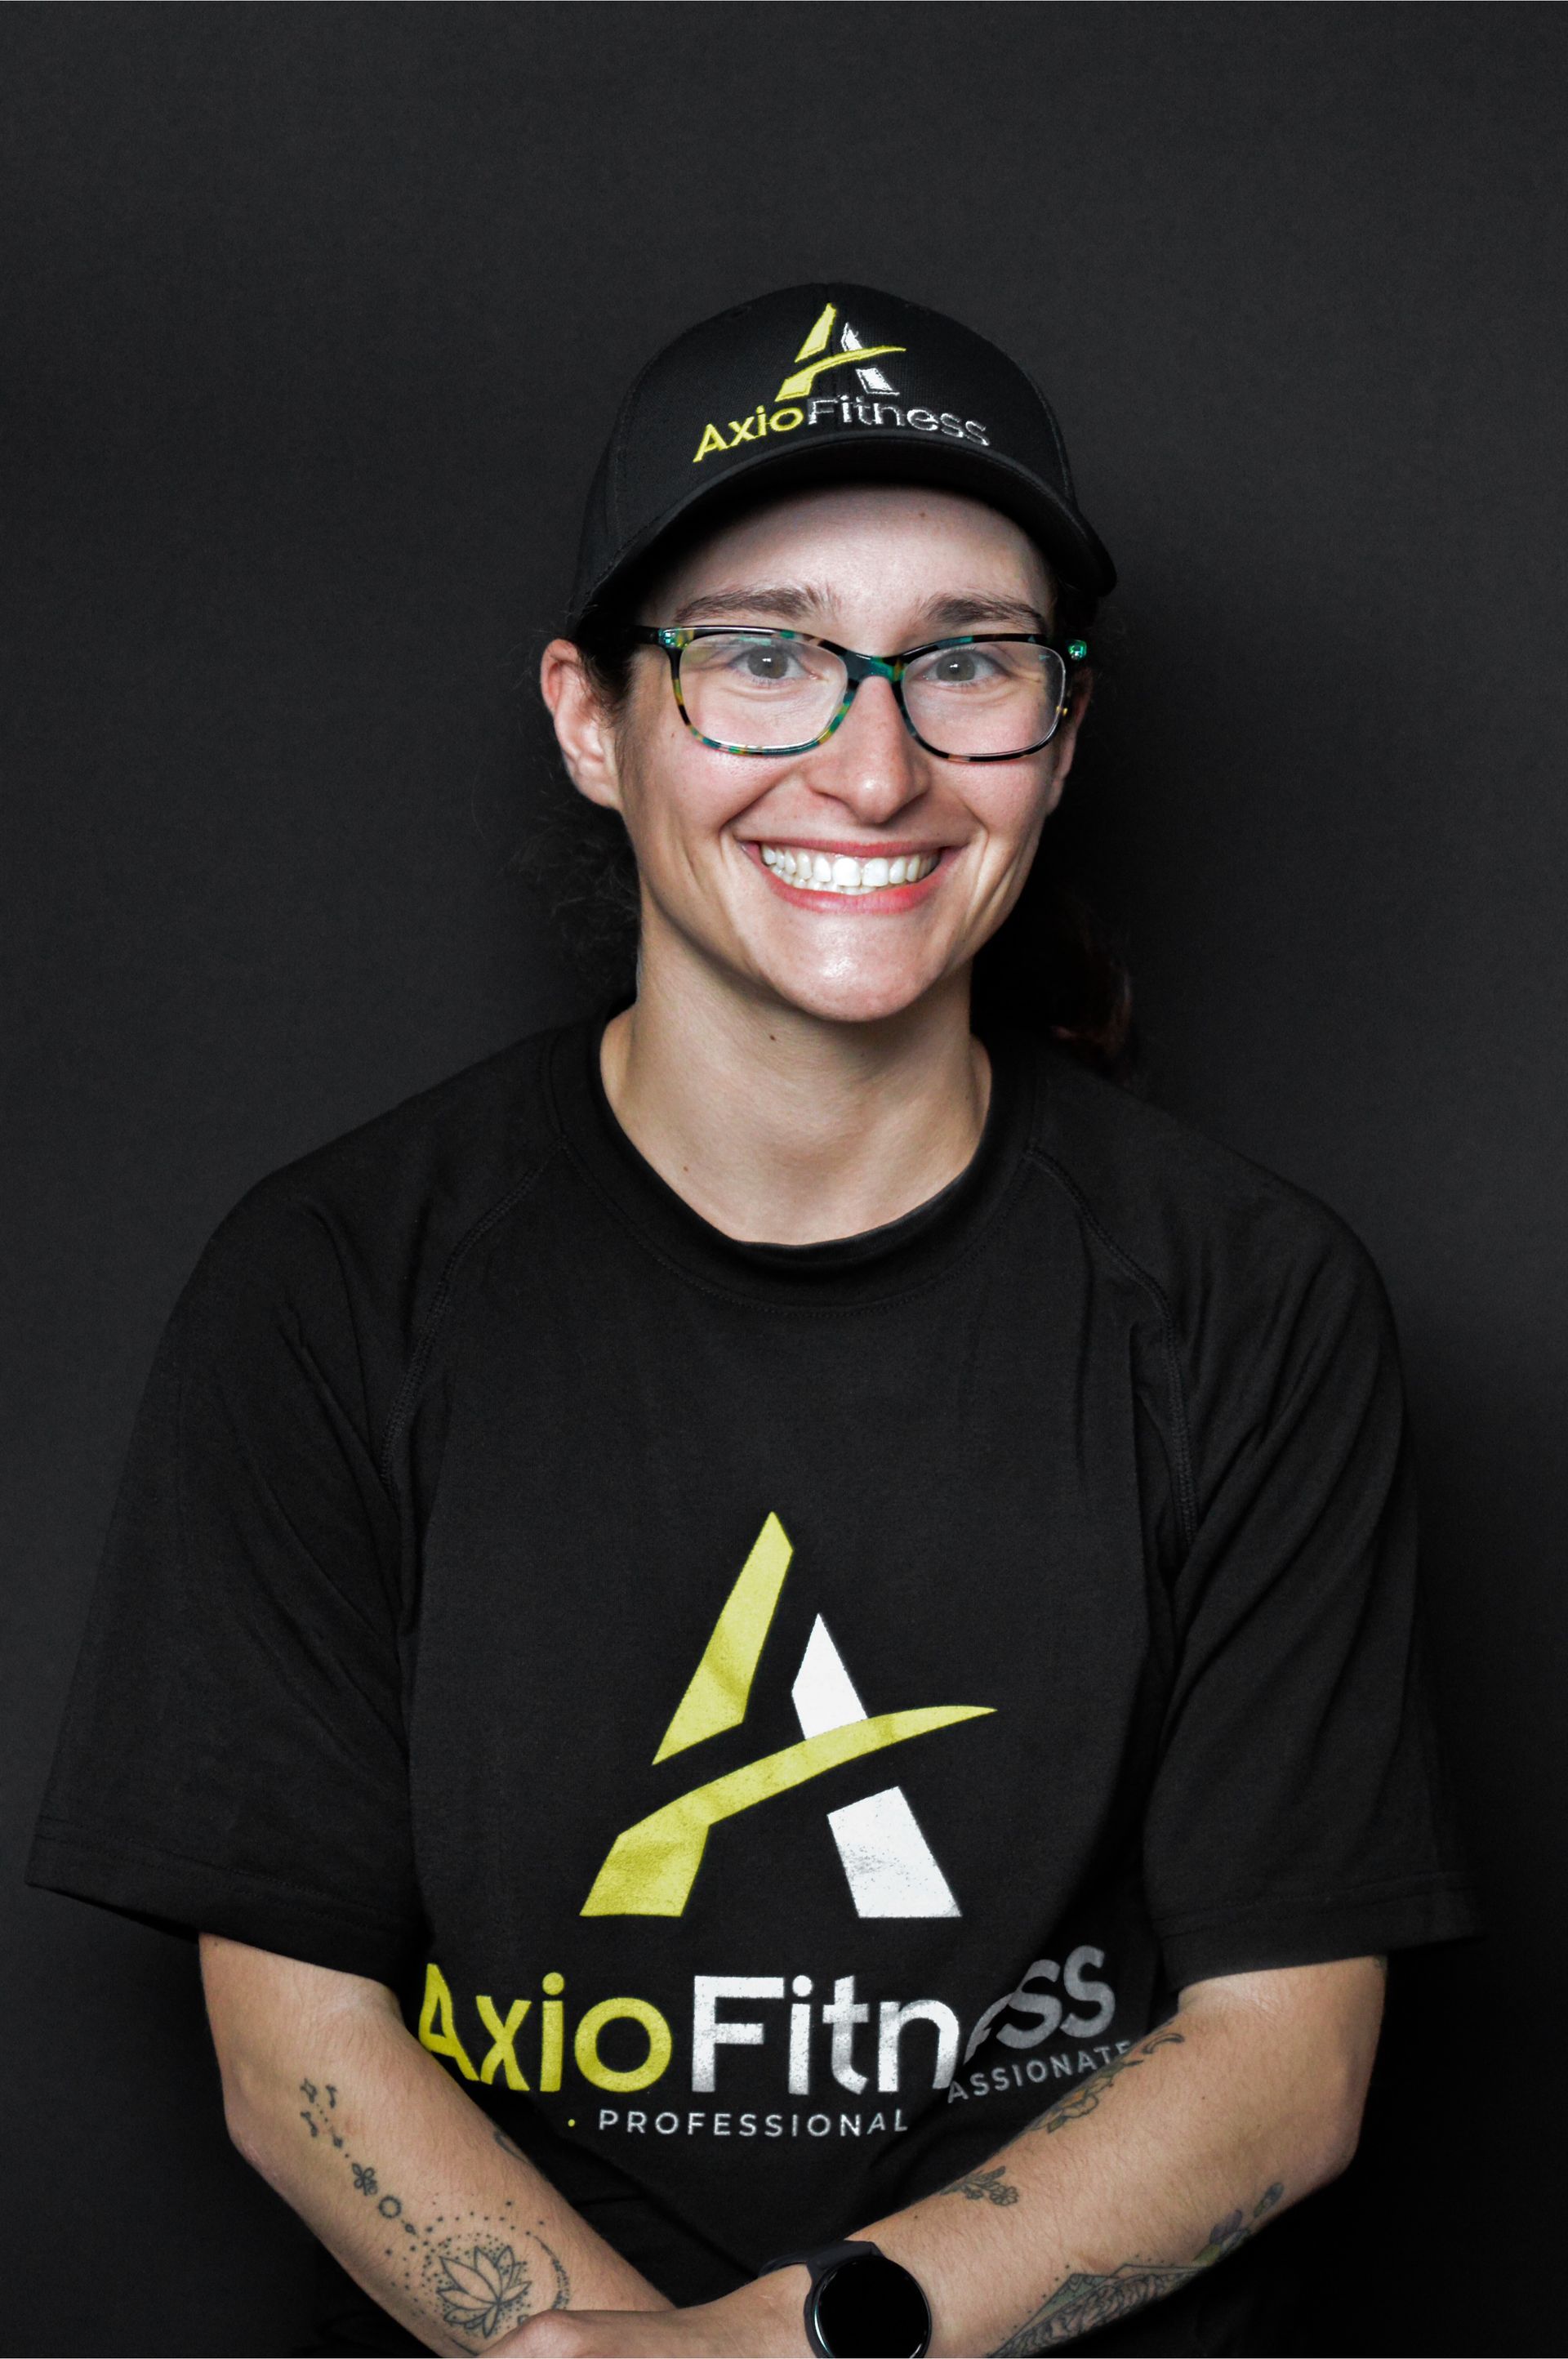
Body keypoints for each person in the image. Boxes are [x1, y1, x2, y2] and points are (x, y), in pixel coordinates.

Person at [29, 283, 1476, 2359]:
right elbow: (296, 2036)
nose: (874, 768)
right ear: (591, 718)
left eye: (965, 662)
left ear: (1061, 733)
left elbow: (1284, 2060)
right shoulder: (337, 1280)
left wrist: (784, 2349)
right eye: (766, 657)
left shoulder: (1248, 1302)